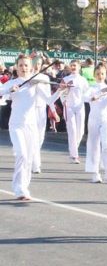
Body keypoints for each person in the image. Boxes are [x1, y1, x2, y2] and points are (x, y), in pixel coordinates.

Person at [0, 55, 53, 200]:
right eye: (21, 65)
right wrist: (9, 90)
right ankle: (18, 188)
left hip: (31, 125)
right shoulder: (12, 83)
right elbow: (1, 92)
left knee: (29, 157)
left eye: (26, 65)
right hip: (16, 124)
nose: (24, 68)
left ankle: (24, 187)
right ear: (16, 67)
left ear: (31, 67)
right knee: (21, 154)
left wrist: (61, 90)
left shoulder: (35, 83)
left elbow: (49, 100)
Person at [52, 59, 89, 164]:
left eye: (75, 65)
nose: (73, 67)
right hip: (69, 106)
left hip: (80, 106)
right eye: (71, 65)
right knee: (72, 130)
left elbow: (87, 93)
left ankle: (74, 149)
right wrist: (64, 101)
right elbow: (61, 93)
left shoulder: (83, 80)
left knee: (80, 131)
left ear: (79, 67)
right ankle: (74, 155)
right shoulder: (66, 79)